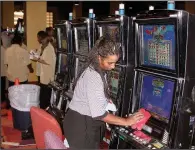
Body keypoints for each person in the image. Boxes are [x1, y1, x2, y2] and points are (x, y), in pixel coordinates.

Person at [63, 36, 144, 149]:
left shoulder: (94, 68)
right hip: (82, 125)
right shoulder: (94, 76)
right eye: (110, 63)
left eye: (115, 62)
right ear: (99, 57)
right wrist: (127, 121)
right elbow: (100, 114)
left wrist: (104, 99)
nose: (113, 66)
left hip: (78, 120)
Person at [32, 32, 56, 109]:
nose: (38, 39)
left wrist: (37, 58)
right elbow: (39, 56)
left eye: (38, 38)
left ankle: (45, 110)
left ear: (44, 38)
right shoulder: (42, 46)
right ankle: (42, 109)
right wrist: (34, 54)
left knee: (46, 94)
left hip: (48, 75)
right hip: (42, 73)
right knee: (42, 92)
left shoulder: (49, 48)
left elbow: (47, 61)